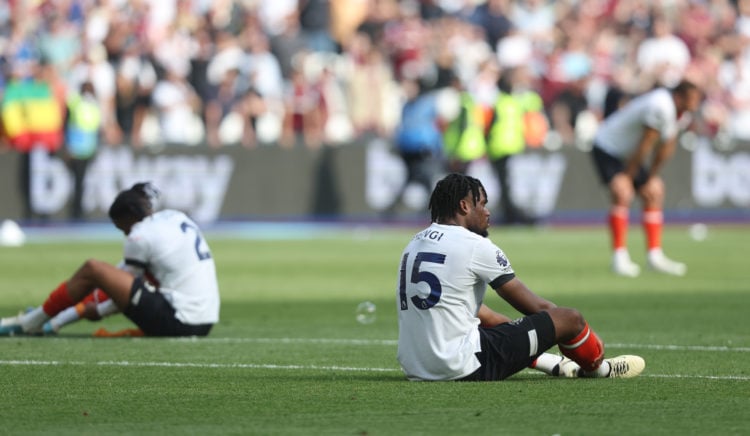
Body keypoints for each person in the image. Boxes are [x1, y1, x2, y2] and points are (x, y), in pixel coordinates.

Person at [396, 173, 645, 381]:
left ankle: (554, 364)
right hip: (460, 366)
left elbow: (466, 307)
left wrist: (519, 333)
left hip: (415, 367)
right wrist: (579, 335)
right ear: (464, 206)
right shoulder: (475, 246)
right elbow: (538, 308)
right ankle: (601, 369)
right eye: (482, 204)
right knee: (570, 318)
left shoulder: (414, 243)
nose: (487, 212)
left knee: (495, 323)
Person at [0, 182, 220, 337]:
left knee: (92, 268)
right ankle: (44, 320)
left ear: (128, 218)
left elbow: (119, 294)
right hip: (205, 320)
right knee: (103, 274)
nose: (124, 234)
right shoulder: (173, 217)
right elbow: (117, 281)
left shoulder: (140, 236)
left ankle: (30, 323)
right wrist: (61, 319)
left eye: (120, 227)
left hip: (180, 321)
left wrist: (99, 311)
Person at [591, 80, 702, 277]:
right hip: (608, 147)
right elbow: (646, 143)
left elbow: (667, 146)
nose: (696, 103)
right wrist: (628, 176)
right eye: (692, 99)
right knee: (622, 192)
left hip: (627, 153)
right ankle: (619, 257)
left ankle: (655, 256)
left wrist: (652, 176)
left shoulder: (681, 113)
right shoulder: (660, 105)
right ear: (679, 96)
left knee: (654, 192)